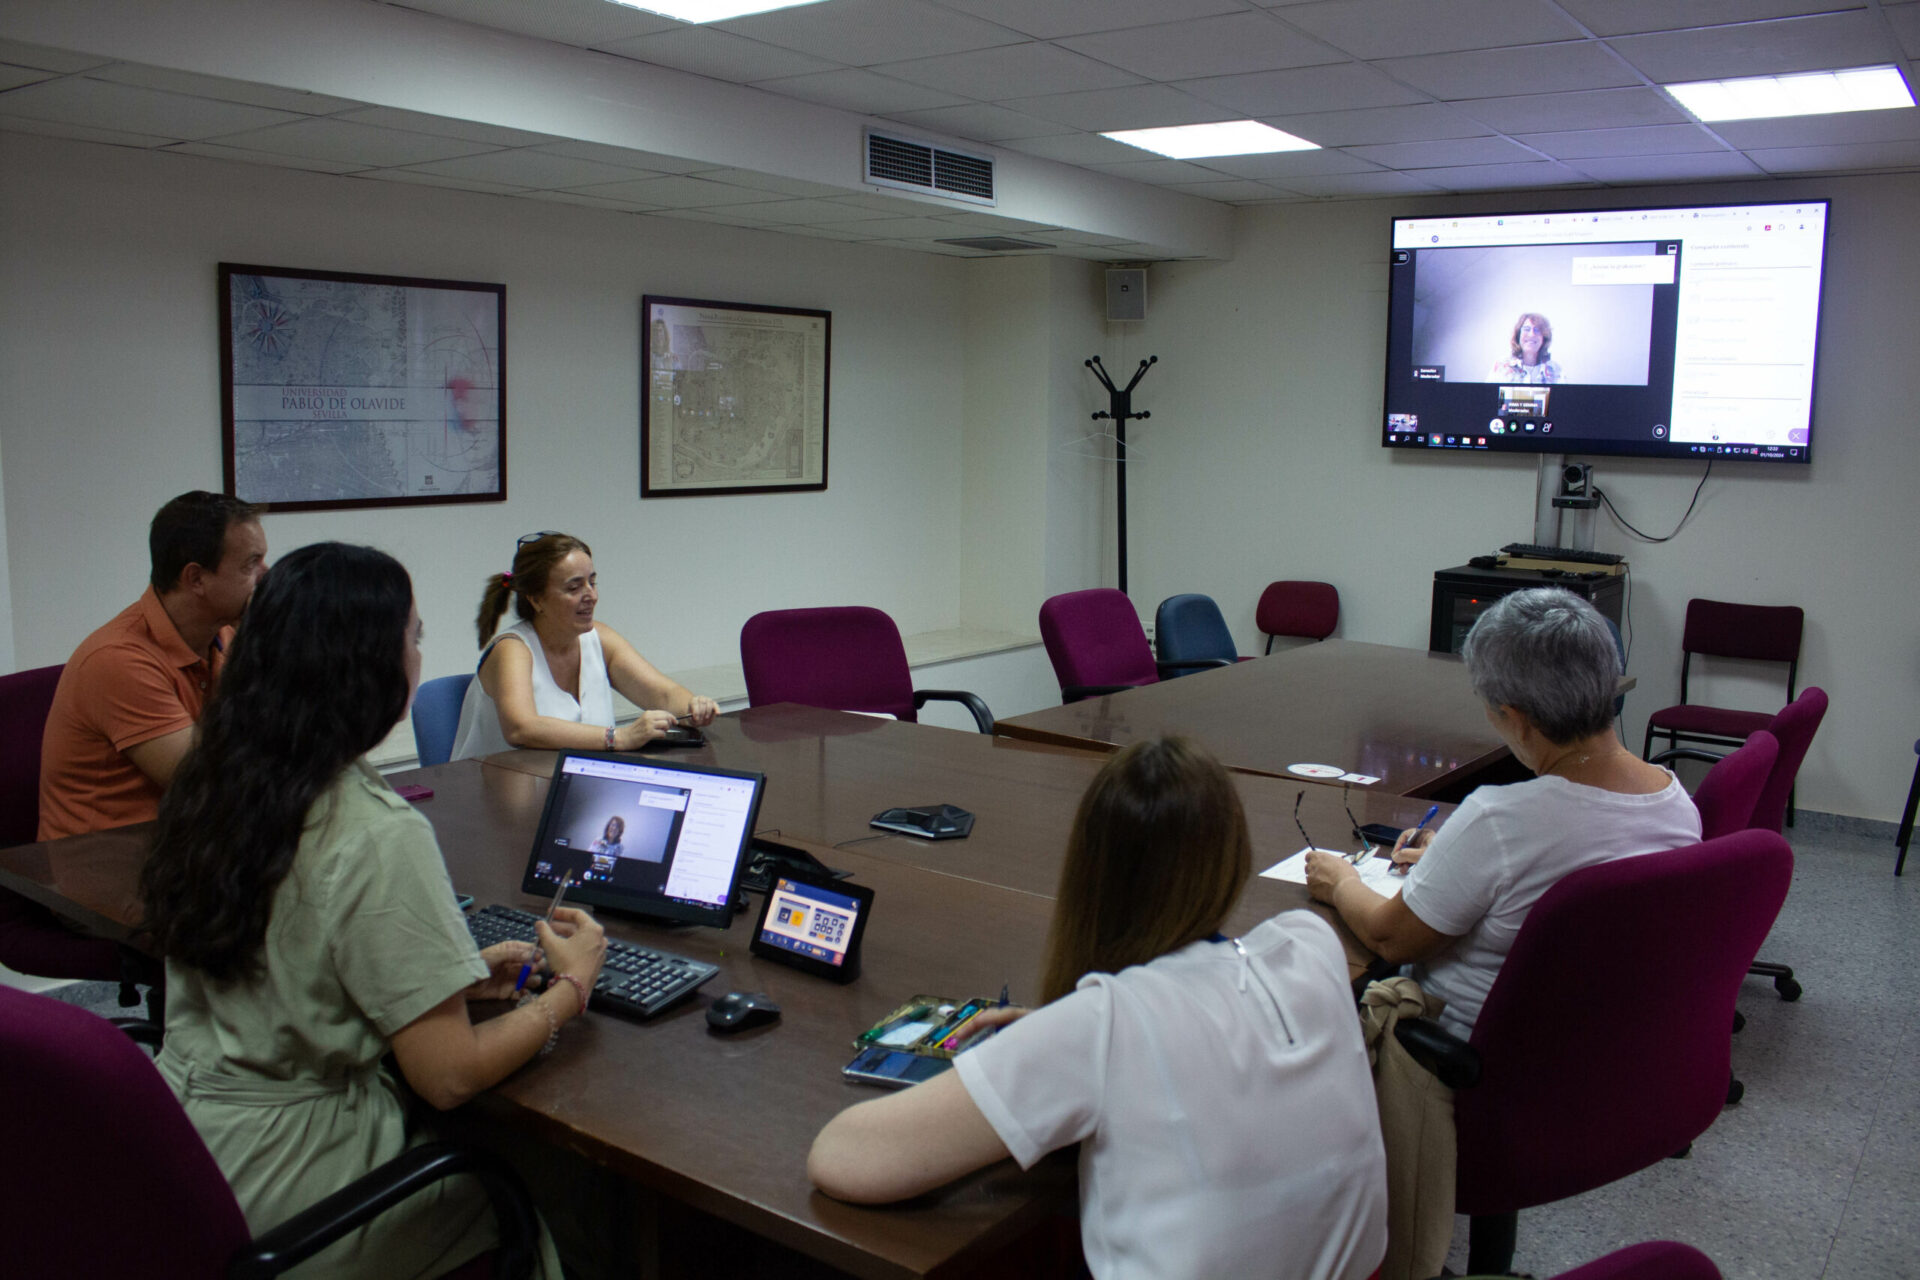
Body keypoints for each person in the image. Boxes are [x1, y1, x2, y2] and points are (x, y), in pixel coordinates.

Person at [140, 543, 604, 1280]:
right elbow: (448, 1077)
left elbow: (285, 959)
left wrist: (445, 977)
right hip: (304, 1180)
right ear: (369, 668)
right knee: (567, 1185)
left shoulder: (216, 780)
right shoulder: (376, 829)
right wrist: (571, 993)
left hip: (181, 1154)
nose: (421, 656)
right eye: (414, 638)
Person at [809, 737, 1388, 1280]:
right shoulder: (1311, 945)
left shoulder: (1103, 1026)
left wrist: (1048, 1047)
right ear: (1234, 857)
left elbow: (841, 1158)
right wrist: (1059, 1040)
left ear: (1088, 869)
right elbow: (1218, 1047)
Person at [1307, 588, 1700, 1040]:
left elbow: (1388, 938)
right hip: (1603, 1048)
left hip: (1464, 1061)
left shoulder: (1498, 821)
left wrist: (1340, 883)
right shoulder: (1676, 802)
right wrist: (1452, 859)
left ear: (1517, 718)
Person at [38, 490, 268, 840]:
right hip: (103, 868)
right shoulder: (118, 660)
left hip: (188, 849)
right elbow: (210, 785)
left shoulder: (226, 635)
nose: (265, 576)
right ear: (196, 579)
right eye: (251, 564)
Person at [449, 531, 717, 760]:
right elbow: (521, 728)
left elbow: (663, 695)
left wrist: (692, 707)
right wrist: (618, 738)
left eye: (592, 582)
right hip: (494, 799)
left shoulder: (599, 638)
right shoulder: (512, 650)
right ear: (536, 599)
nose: (591, 596)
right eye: (574, 588)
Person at [1487, 312, 1562, 384]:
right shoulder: (1501, 366)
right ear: (1518, 334)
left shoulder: (1555, 370)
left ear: (1544, 338)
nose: (1531, 334)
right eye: (1526, 329)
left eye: (1537, 330)